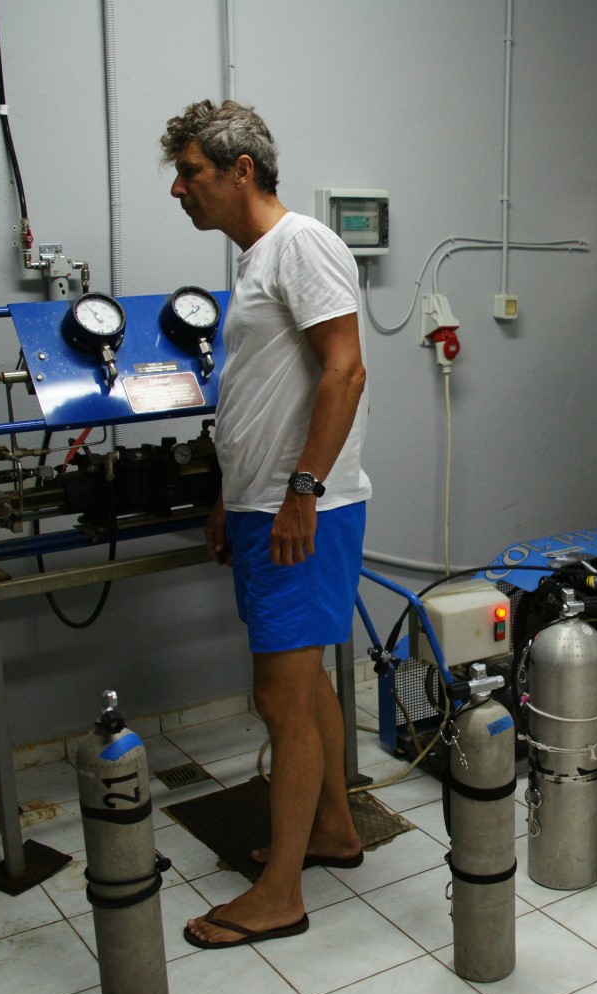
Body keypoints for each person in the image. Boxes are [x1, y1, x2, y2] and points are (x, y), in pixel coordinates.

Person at [161, 100, 371, 949]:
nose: (179, 189)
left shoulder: (301, 245)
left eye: (190, 173)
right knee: (305, 686)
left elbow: (345, 371)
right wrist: (230, 493)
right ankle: (334, 830)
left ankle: (280, 893)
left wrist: (302, 492)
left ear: (240, 170)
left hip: (303, 510)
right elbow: (262, 392)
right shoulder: (257, 261)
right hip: (263, 505)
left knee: (279, 701)